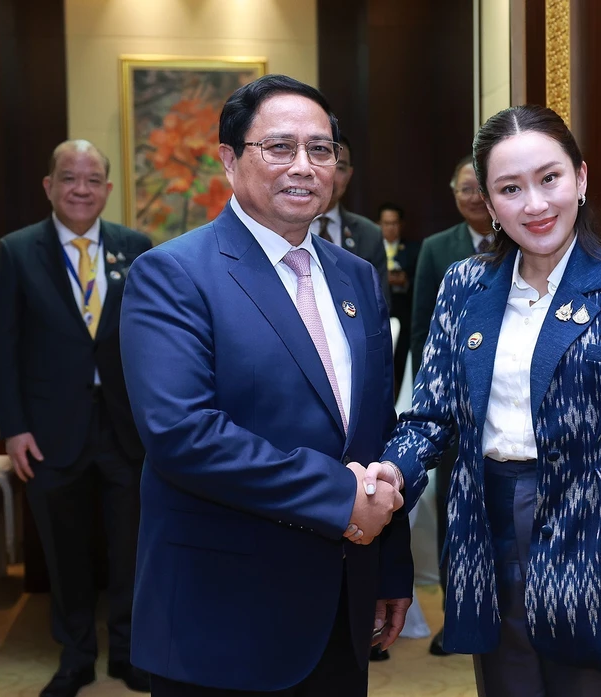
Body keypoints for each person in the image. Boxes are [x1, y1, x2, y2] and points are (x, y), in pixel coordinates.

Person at [356, 105, 601, 696]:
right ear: (489, 205)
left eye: (550, 179)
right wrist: (390, 472)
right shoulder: (464, 286)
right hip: (485, 538)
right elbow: (431, 415)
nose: (536, 205)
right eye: (510, 189)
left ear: (582, 178)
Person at [119, 74, 411, 697]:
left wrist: (389, 567)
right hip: (225, 615)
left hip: (341, 604)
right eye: (279, 147)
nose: (303, 167)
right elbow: (184, 435)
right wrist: (341, 497)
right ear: (229, 159)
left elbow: (374, 431)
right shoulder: (172, 274)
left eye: (321, 149)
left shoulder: (358, 277)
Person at [0, 140, 152, 697]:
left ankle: (129, 654)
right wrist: (13, 427)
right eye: (69, 178)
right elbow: (2, 349)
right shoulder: (16, 251)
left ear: (108, 188)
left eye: (92, 179)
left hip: (126, 430)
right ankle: (77, 654)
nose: (81, 189)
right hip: (49, 432)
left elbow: (153, 344)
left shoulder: (136, 248)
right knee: (64, 548)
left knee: (131, 548)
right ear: (49, 185)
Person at [408, 154, 493, 656]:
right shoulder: (439, 250)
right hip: (453, 412)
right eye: (464, 189)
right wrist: (439, 398)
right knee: (450, 512)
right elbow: (423, 331)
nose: (474, 198)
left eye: (481, 189)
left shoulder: (520, 241)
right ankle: (454, 614)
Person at [309, 135, 390, 306]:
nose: (332, 176)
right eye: (323, 163)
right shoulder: (283, 227)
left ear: (350, 174)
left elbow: (380, 304)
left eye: (340, 168)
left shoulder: (370, 234)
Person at [378, 202, 419, 401]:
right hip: (379, 312)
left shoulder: (413, 249)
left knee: (402, 359)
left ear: (400, 225)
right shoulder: (373, 247)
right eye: (386, 223)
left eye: (394, 223)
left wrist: (404, 280)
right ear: (379, 225)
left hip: (404, 312)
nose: (390, 228)